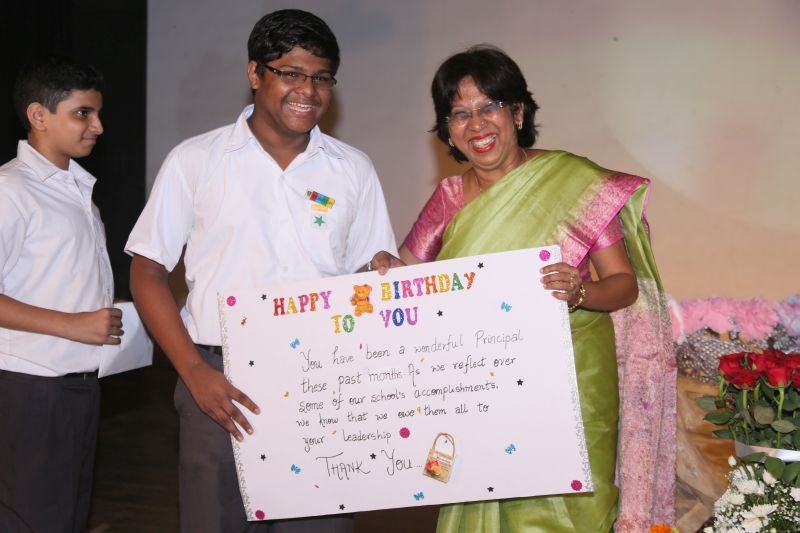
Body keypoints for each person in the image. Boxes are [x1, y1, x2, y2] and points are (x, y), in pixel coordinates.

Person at [126, 9, 397, 533]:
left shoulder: (353, 169)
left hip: (326, 382)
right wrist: (194, 372)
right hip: (218, 382)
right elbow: (147, 271)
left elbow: (369, 269)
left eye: (322, 78)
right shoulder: (196, 160)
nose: (308, 91)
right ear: (255, 73)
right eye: (290, 73)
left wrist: (381, 271)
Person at [394, 45, 676, 532]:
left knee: (575, 510)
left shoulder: (575, 184)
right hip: (479, 383)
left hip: (573, 379)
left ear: (518, 113)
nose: (476, 124)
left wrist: (580, 292)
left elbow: (624, 285)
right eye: (460, 113)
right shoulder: (448, 199)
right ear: (448, 129)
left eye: (490, 106)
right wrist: (382, 270)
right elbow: (405, 280)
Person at [0, 56, 123, 533]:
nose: (98, 126)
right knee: (34, 518)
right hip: (31, 384)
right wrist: (72, 324)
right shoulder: (10, 190)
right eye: (82, 114)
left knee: (67, 516)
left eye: (98, 113)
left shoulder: (75, 188)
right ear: (38, 115)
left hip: (78, 383)